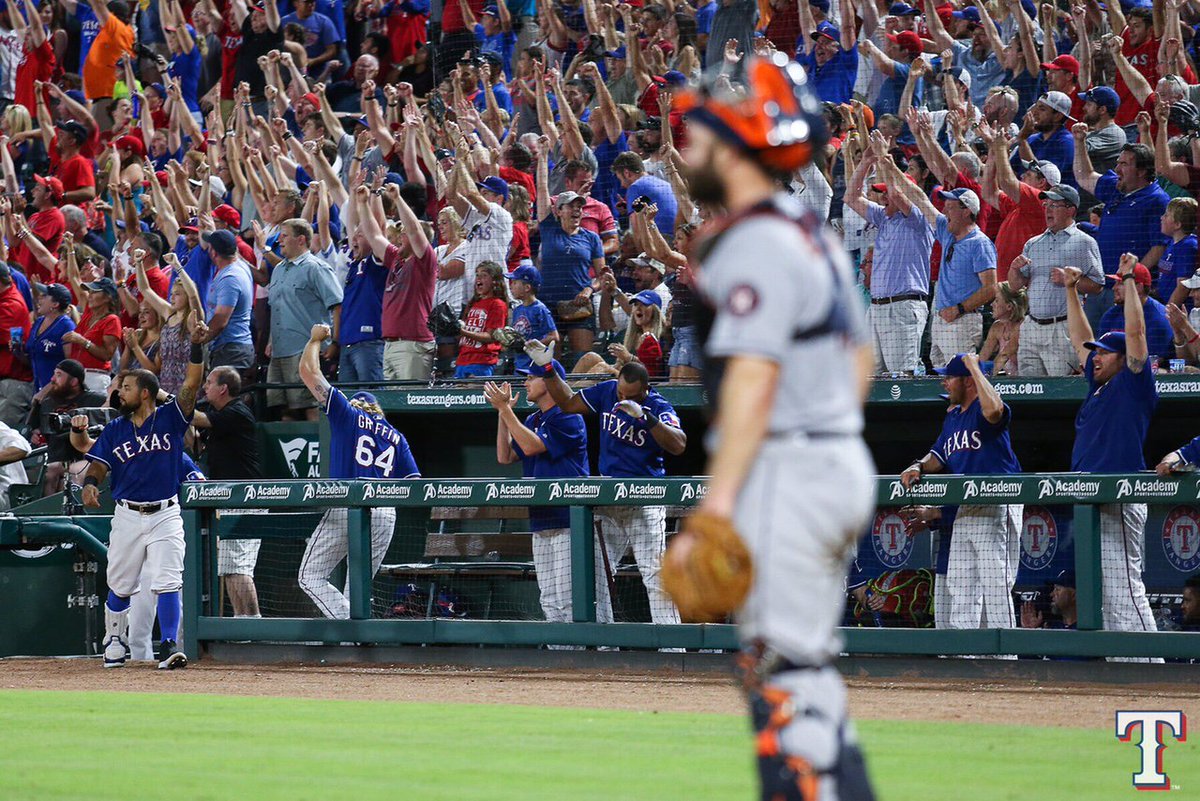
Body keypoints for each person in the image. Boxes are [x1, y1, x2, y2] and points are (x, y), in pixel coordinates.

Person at [666, 53, 877, 800]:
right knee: (805, 676)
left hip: (791, 471)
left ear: (735, 146)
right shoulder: (803, 226)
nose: (686, 146)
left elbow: (752, 383)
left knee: (781, 678)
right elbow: (862, 358)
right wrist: (829, 434)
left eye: (701, 134)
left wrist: (715, 509)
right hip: (825, 460)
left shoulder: (755, 239)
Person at [81, 311, 205, 671]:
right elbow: (100, 464)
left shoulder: (169, 417)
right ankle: (114, 640)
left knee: (168, 579)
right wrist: (91, 484)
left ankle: (168, 645)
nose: (120, 391)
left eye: (127, 387)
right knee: (120, 583)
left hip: (166, 511)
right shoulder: (116, 429)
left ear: (146, 393)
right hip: (128, 514)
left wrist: (196, 347)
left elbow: (192, 384)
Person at [527, 349, 685, 627]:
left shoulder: (660, 406)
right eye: (622, 393)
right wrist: (548, 369)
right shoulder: (608, 391)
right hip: (608, 498)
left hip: (643, 498)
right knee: (595, 574)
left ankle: (672, 648)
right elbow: (567, 402)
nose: (623, 399)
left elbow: (678, 444)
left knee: (654, 574)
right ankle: (603, 645)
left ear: (646, 390)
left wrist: (646, 418)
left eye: (631, 396)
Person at [1062, 254, 1161, 651]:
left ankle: (1151, 667)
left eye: (1104, 352)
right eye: (1096, 352)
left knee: (1125, 587)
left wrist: (1129, 281)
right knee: (1109, 593)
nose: (1096, 357)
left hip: (1118, 495)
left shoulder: (1133, 384)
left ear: (1122, 359)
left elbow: (1136, 335)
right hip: (1093, 499)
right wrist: (1071, 291)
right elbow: (1077, 338)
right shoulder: (1098, 385)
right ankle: (1128, 666)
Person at [296, 323, 420, 619]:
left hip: (348, 504)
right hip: (386, 512)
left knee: (309, 576)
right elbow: (413, 484)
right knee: (358, 587)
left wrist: (314, 340)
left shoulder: (348, 415)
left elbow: (308, 371)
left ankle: (351, 631)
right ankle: (360, 641)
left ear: (357, 405)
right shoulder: (396, 436)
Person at [901, 353, 1022, 630]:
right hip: (965, 506)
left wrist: (974, 368)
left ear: (967, 382)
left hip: (995, 501)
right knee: (960, 582)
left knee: (995, 584)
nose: (944, 382)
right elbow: (937, 456)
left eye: (950, 377)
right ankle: (965, 658)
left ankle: (1007, 658)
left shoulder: (983, 406)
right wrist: (918, 465)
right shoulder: (953, 418)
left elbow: (995, 412)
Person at [484, 362, 587, 629]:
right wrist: (501, 413)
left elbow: (531, 447)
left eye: (531, 378)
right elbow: (504, 456)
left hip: (569, 519)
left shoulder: (569, 416)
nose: (526, 383)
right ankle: (561, 660)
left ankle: (583, 658)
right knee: (549, 600)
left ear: (550, 383)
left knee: (568, 600)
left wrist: (506, 409)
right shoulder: (533, 419)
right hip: (541, 519)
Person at [844, 148, 933, 374]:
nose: (883, 197)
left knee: (902, 378)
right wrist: (865, 161)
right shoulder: (883, 218)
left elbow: (898, 194)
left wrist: (884, 159)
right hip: (876, 308)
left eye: (886, 193)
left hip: (903, 307)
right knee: (870, 378)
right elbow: (851, 197)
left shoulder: (919, 220)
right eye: (881, 193)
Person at [1007, 184, 1104, 376]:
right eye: (1046, 205)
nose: (1047, 210)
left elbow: (1098, 286)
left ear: (1071, 210)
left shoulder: (1084, 242)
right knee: (1030, 389)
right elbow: (1015, 286)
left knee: (1060, 387)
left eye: (1054, 205)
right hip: (1031, 327)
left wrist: (1071, 281)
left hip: (1062, 329)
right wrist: (1013, 269)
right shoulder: (1033, 244)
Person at [193, 367, 264, 619]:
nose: (205, 387)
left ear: (223, 388)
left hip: (245, 498)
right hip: (229, 498)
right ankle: (242, 621)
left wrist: (170, 403)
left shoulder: (236, 412)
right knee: (230, 566)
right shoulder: (219, 412)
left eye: (209, 382)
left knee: (237, 566)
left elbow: (198, 419)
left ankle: (252, 623)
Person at [266, 218, 344, 420]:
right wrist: (270, 342)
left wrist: (335, 341)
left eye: (284, 236)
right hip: (280, 351)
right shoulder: (278, 270)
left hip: (305, 350)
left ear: (301, 240)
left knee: (311, 406)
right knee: (283, 409)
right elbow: (276, 308)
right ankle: (289, 453)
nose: (279, 241)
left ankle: (319, 451)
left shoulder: (316, 268)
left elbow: (337, 305)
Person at [1097, 262, 1174, 364]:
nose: (1113, 288)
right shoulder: (1110, 315)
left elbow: (1152, 363)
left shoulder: (1158, 319)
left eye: (1120, 283)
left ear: (1138, 288)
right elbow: (1100, 352)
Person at [454, 261, 509, 378]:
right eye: (477, 275)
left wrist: (462, 331)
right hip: (462, 360)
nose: (478, 278)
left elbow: (491, 337)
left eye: (484, 275)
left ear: (495, 281)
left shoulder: (497, 304)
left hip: (482, 361)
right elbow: (463, 335)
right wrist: (452, 328)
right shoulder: (473, 303)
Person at [507, 264, 558, 375]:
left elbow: (554, 336)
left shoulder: (540, 309)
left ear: (527, 288)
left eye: (515, 282)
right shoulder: (517, 310)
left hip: (535, 366)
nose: (511, 286)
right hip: (519, 364)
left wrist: (529, 345)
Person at [978, 281, 1026, 376]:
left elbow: (1004, 356)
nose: (992, 304)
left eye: (996, 300)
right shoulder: (997, 327)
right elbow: (982, 357)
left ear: (1009, 306)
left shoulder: (1022, 326)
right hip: (1010, 383)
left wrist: (983, 381)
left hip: (1028, 382)